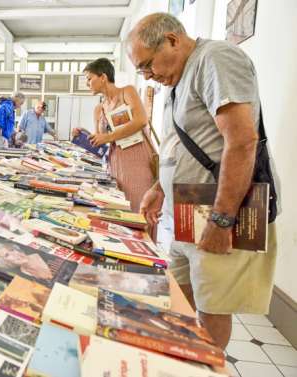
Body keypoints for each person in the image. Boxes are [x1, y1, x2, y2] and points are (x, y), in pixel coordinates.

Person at [127, 13, 278, 349]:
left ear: (172, 40)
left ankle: (207, 365)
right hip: (184, 209)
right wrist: (158, 188)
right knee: (180, 298)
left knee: (211, 306)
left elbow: (241, 140)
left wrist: (222, 219)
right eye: (142, 71)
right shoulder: (178, 80)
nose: (149, 77)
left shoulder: (215, 58)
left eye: (148, 66)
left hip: (214, 208)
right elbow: (178, 144)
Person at [72, 58, 156, 213]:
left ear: (103, 77)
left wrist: (108, 137)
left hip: (138, 161)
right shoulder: (99, 109)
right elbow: (100, 142)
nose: (87, 83)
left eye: (89, 79)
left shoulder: (127, 92)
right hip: (115, 164)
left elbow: (141, 120)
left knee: (139, 210)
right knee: (119, 212)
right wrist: (83, 134)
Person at [0, 92, 26, 159]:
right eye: (21, 103)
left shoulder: (7, 104)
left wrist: (14, 132)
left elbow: (7, 123)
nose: (20, 106)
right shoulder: (8, 105)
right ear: (16, 99)